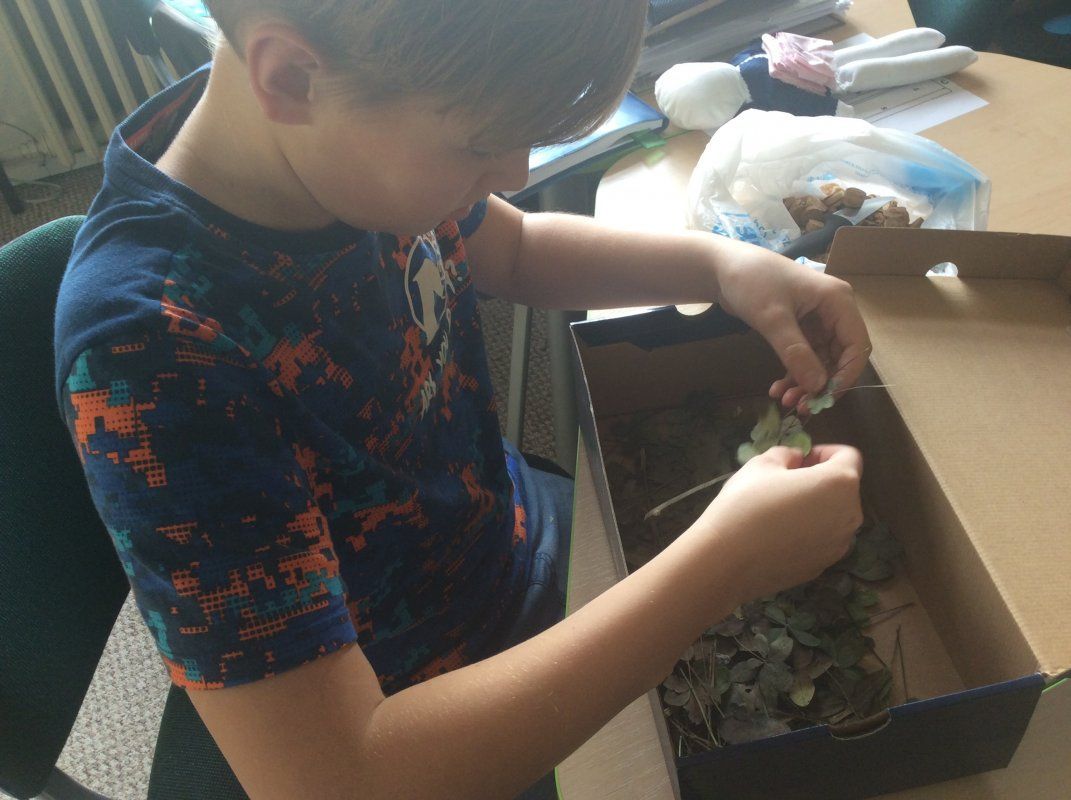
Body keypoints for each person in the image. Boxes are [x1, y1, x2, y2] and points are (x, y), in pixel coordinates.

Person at [54, 2, 870, 798]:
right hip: (432, 720)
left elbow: (513, 248)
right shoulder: (153, 355)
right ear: (290, 75)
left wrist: (718, 268)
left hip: (511, 539)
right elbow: (343, 778)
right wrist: (720, 569)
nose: (514, 175)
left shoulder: (336, 129)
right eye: (482, 146)